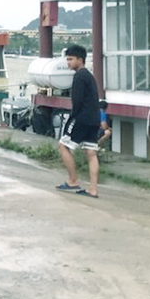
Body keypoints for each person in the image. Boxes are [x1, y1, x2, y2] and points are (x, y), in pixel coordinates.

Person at [56, 45, 101, 198]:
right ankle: (93, 189)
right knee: (91, 153)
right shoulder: (89, 76)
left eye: (70, 59)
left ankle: (73, 180)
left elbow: (77, 101)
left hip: (81, 118)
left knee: (63, 146)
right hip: (94, 119)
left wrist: (70, 121)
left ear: (80, 60)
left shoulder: (79, 76)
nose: (68, 62)